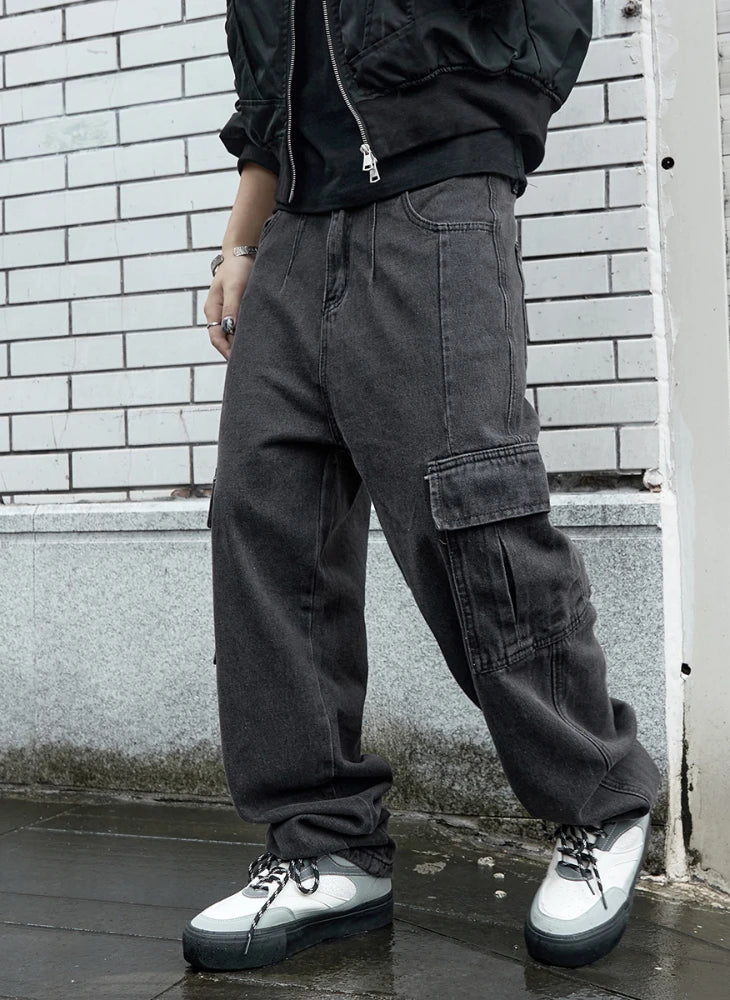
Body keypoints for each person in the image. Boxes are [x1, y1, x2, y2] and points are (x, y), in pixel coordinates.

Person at [183, 0, 661, 974]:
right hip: (294, 229)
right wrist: (241, 243)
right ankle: (323, 842)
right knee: (264, 517)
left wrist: (478, 122)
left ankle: (599, 799)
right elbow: (272, 94)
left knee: (469, 508)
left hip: (434, 197)